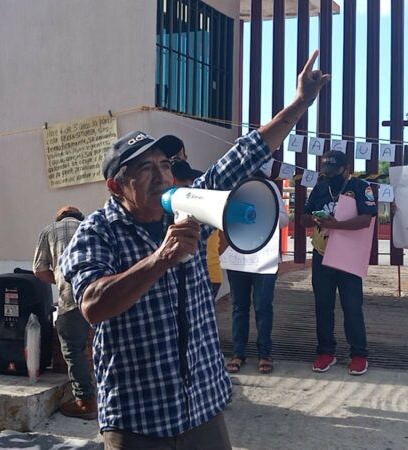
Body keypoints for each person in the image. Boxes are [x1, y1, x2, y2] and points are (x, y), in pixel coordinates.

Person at [59, 50, 329, 449]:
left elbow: (246, 154)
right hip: (137, 416)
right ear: (116, 186)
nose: (161, 176)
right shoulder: (96, 233)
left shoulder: (188, 209)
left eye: (164, 165)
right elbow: (94, 305)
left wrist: (300, 103)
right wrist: (160, 259)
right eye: (145, 169)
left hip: (201, 405)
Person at [301, 150, 376, 376]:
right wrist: (315, 218)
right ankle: (326, 351)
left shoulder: (361, 187)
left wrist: (337, 226)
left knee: (352, 307)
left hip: (348, 255)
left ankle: (359, 354)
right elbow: (304, 217)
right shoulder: (321, 186)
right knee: (323, 306)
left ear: (346, 168)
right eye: (326, 171)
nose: (329, 175)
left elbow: (366, 219)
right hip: (322, 254)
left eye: (334, 171)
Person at [33, 206, 96, 420]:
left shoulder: (50, 230)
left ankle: (85, 401)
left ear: (58, 218)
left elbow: (40, 271)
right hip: (102, 294)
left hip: (71, 299)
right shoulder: (93, 225)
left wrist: (60, 279)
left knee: (73, 349)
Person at [223, 174, 289, 375]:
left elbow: (285, 220)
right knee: (239, 306)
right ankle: (238, 353)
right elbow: (220, 217)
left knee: (263, 307)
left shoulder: (270, 187)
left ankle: (265, 354)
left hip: (264, 258)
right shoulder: (233, 184)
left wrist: (264, 213)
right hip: (238, 256)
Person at [170, 158, 224, 297]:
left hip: (206, 274)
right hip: (213, 273)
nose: (191, 187)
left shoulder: (197, 207)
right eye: (188, 183)